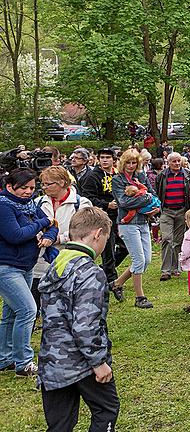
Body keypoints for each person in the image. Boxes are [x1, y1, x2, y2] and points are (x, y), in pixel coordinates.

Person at [38, 207, 119, 431]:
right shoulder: (90, 272)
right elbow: (85, 325)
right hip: (80, 362)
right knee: (106, 409)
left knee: (60, 424)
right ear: (97, 234)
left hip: (52, 362)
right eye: (105, 238)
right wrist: (99, 362)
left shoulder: (56, 264)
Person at [0, 168, 58, 377]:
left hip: (26, 265)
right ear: (9, 187)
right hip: (6, 266)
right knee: (27, 310)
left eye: (32, 188)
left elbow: (53, 226)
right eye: (23, 187)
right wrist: (42, 223)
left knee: (11, 313)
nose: (28, 192)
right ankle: (23, 363)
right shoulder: (4, 206)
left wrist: (49, 236)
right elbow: (15, 235)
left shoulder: (31, 204)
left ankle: (4, 358)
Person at [33, 167, 94, 309]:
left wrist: (59, 238)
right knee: (35, 304)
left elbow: (83, 231)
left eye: (48, 184)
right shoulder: (37, 202)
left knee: (64, 306)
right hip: (40, 262)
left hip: (68, 260)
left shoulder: (81, 203)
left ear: (62, 182)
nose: (44, 187)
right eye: (42, 184)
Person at [110, 148, 159, 309]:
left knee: (146, 260)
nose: (131, 166)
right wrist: (147, 199)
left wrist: (155, 206)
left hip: (144, 221)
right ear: (123, 163)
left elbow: (154, 195)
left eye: (134, 163)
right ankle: (140, 297)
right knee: (138, 260)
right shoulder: (117, 180)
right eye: (128, 162)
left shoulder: (141, 176)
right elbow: (123, 203)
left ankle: (117, 283)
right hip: (127, 224)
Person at [79, 148, 122, 296]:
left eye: (108, 157)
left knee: (124, 246)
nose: (105, 160)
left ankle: (104, 270)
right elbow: (87, 197)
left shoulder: (117, 174)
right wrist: (106, 204)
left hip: (120, 216)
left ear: (113, 160)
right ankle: (112, 281)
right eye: (102, 157)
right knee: (108, 249)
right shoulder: (92, 176)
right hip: (103, 217)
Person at [155, 152, 190, 282]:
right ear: (168, 162)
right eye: (174, 161)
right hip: (166, 211)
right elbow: (157, 192)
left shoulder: (188, 175)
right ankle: (165, 270)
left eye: (178, 161)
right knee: (167, 238)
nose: (177, 163)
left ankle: (175, 268)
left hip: (182, 211)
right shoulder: (162, 176)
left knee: (178, 240)